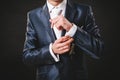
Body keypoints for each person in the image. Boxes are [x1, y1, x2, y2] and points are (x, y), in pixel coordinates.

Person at [23, 0, 104, 80]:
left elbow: (99, 49)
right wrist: (51, 50)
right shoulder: (33, 15)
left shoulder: (84, 11)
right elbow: (27, 57)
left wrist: (72, 28)